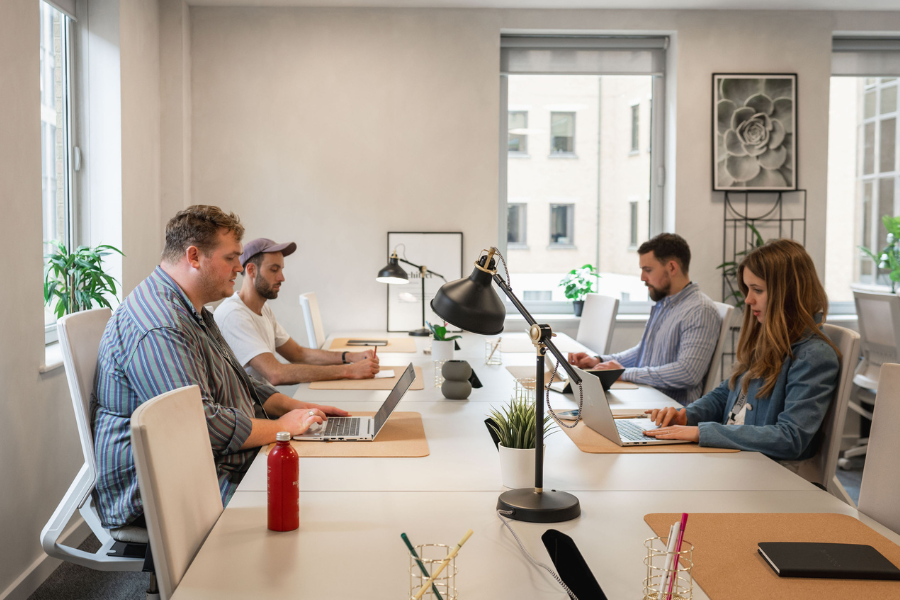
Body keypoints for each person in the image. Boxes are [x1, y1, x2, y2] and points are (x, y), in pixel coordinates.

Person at [92, 205, 348, 531]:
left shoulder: (192, 310)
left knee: (323, 479)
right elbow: (200, 425)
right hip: (160, 488)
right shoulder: (161, 325)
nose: (240, 268)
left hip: (205, 462)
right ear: (194, 256)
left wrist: (298, 408)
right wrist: (283, 428)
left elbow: (241, 380)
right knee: (318, 505)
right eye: (231, 258)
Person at [643, 239, 840, 462]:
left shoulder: (813, 356)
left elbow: (790, 437)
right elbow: (727, 392)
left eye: (757, 290)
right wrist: (686, 416)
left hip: (760, 470)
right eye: (747, 289)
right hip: (734, 458)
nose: (748, 300)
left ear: (789, 293)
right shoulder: (768, 341)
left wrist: (701, 432)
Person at [567, 233, 721, 405]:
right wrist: (600, 360)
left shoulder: (700, 310)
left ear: (672, 267)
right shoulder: (665, 304)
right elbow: (644, 351)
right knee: (578, 401)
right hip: (644, 397)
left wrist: (623, 373)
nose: (642, 278)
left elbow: (687, 372)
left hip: (666, 411)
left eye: (648, 270)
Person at [214, 238, 379, 386]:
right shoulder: (234, 315)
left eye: (281, 269)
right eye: (274, 269)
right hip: (254, 414)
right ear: (251, 270)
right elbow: (275, 374)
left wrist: (349, 357)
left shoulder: (263, 309)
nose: (281, 277)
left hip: (267, 405)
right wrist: (349, 371)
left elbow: (298, 354)